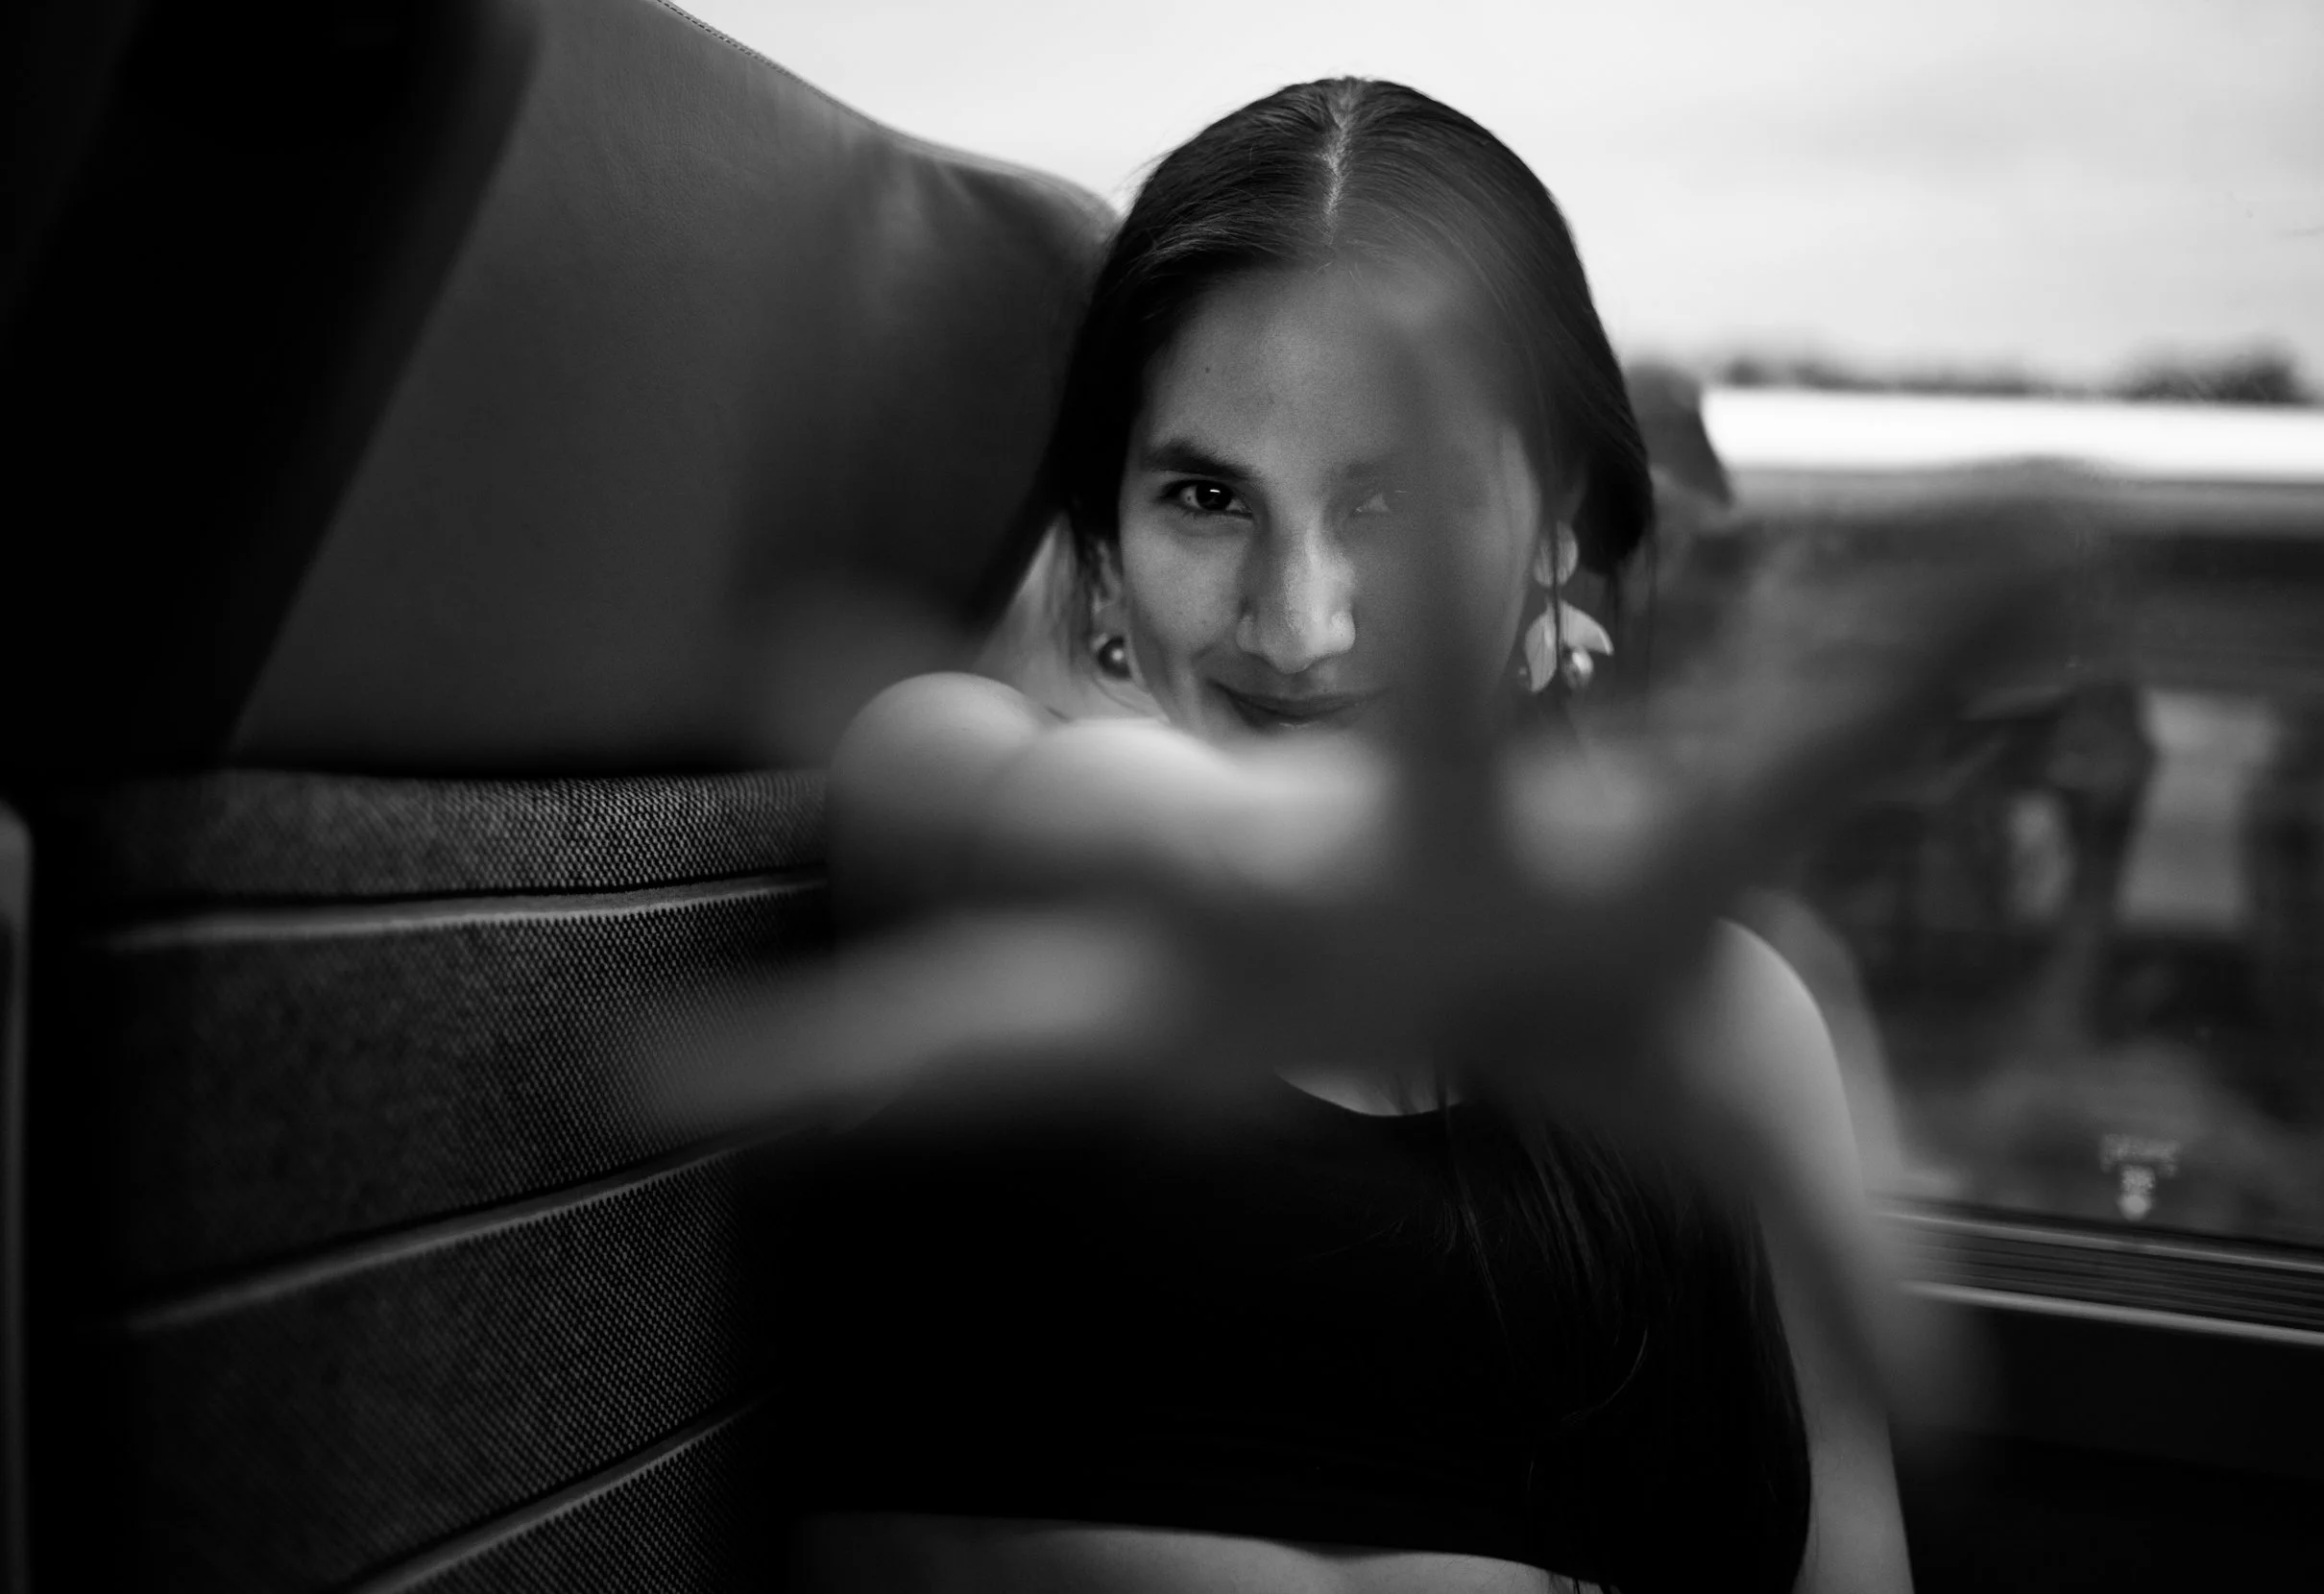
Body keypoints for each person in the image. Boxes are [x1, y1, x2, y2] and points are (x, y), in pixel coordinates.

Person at [751, 78, 2057, 1594]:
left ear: (1556, 528)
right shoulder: (956, 796)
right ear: (1103, 551)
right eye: (1204, 496)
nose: (1298, 623)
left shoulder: (1731, 1017)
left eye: (1395, 501)